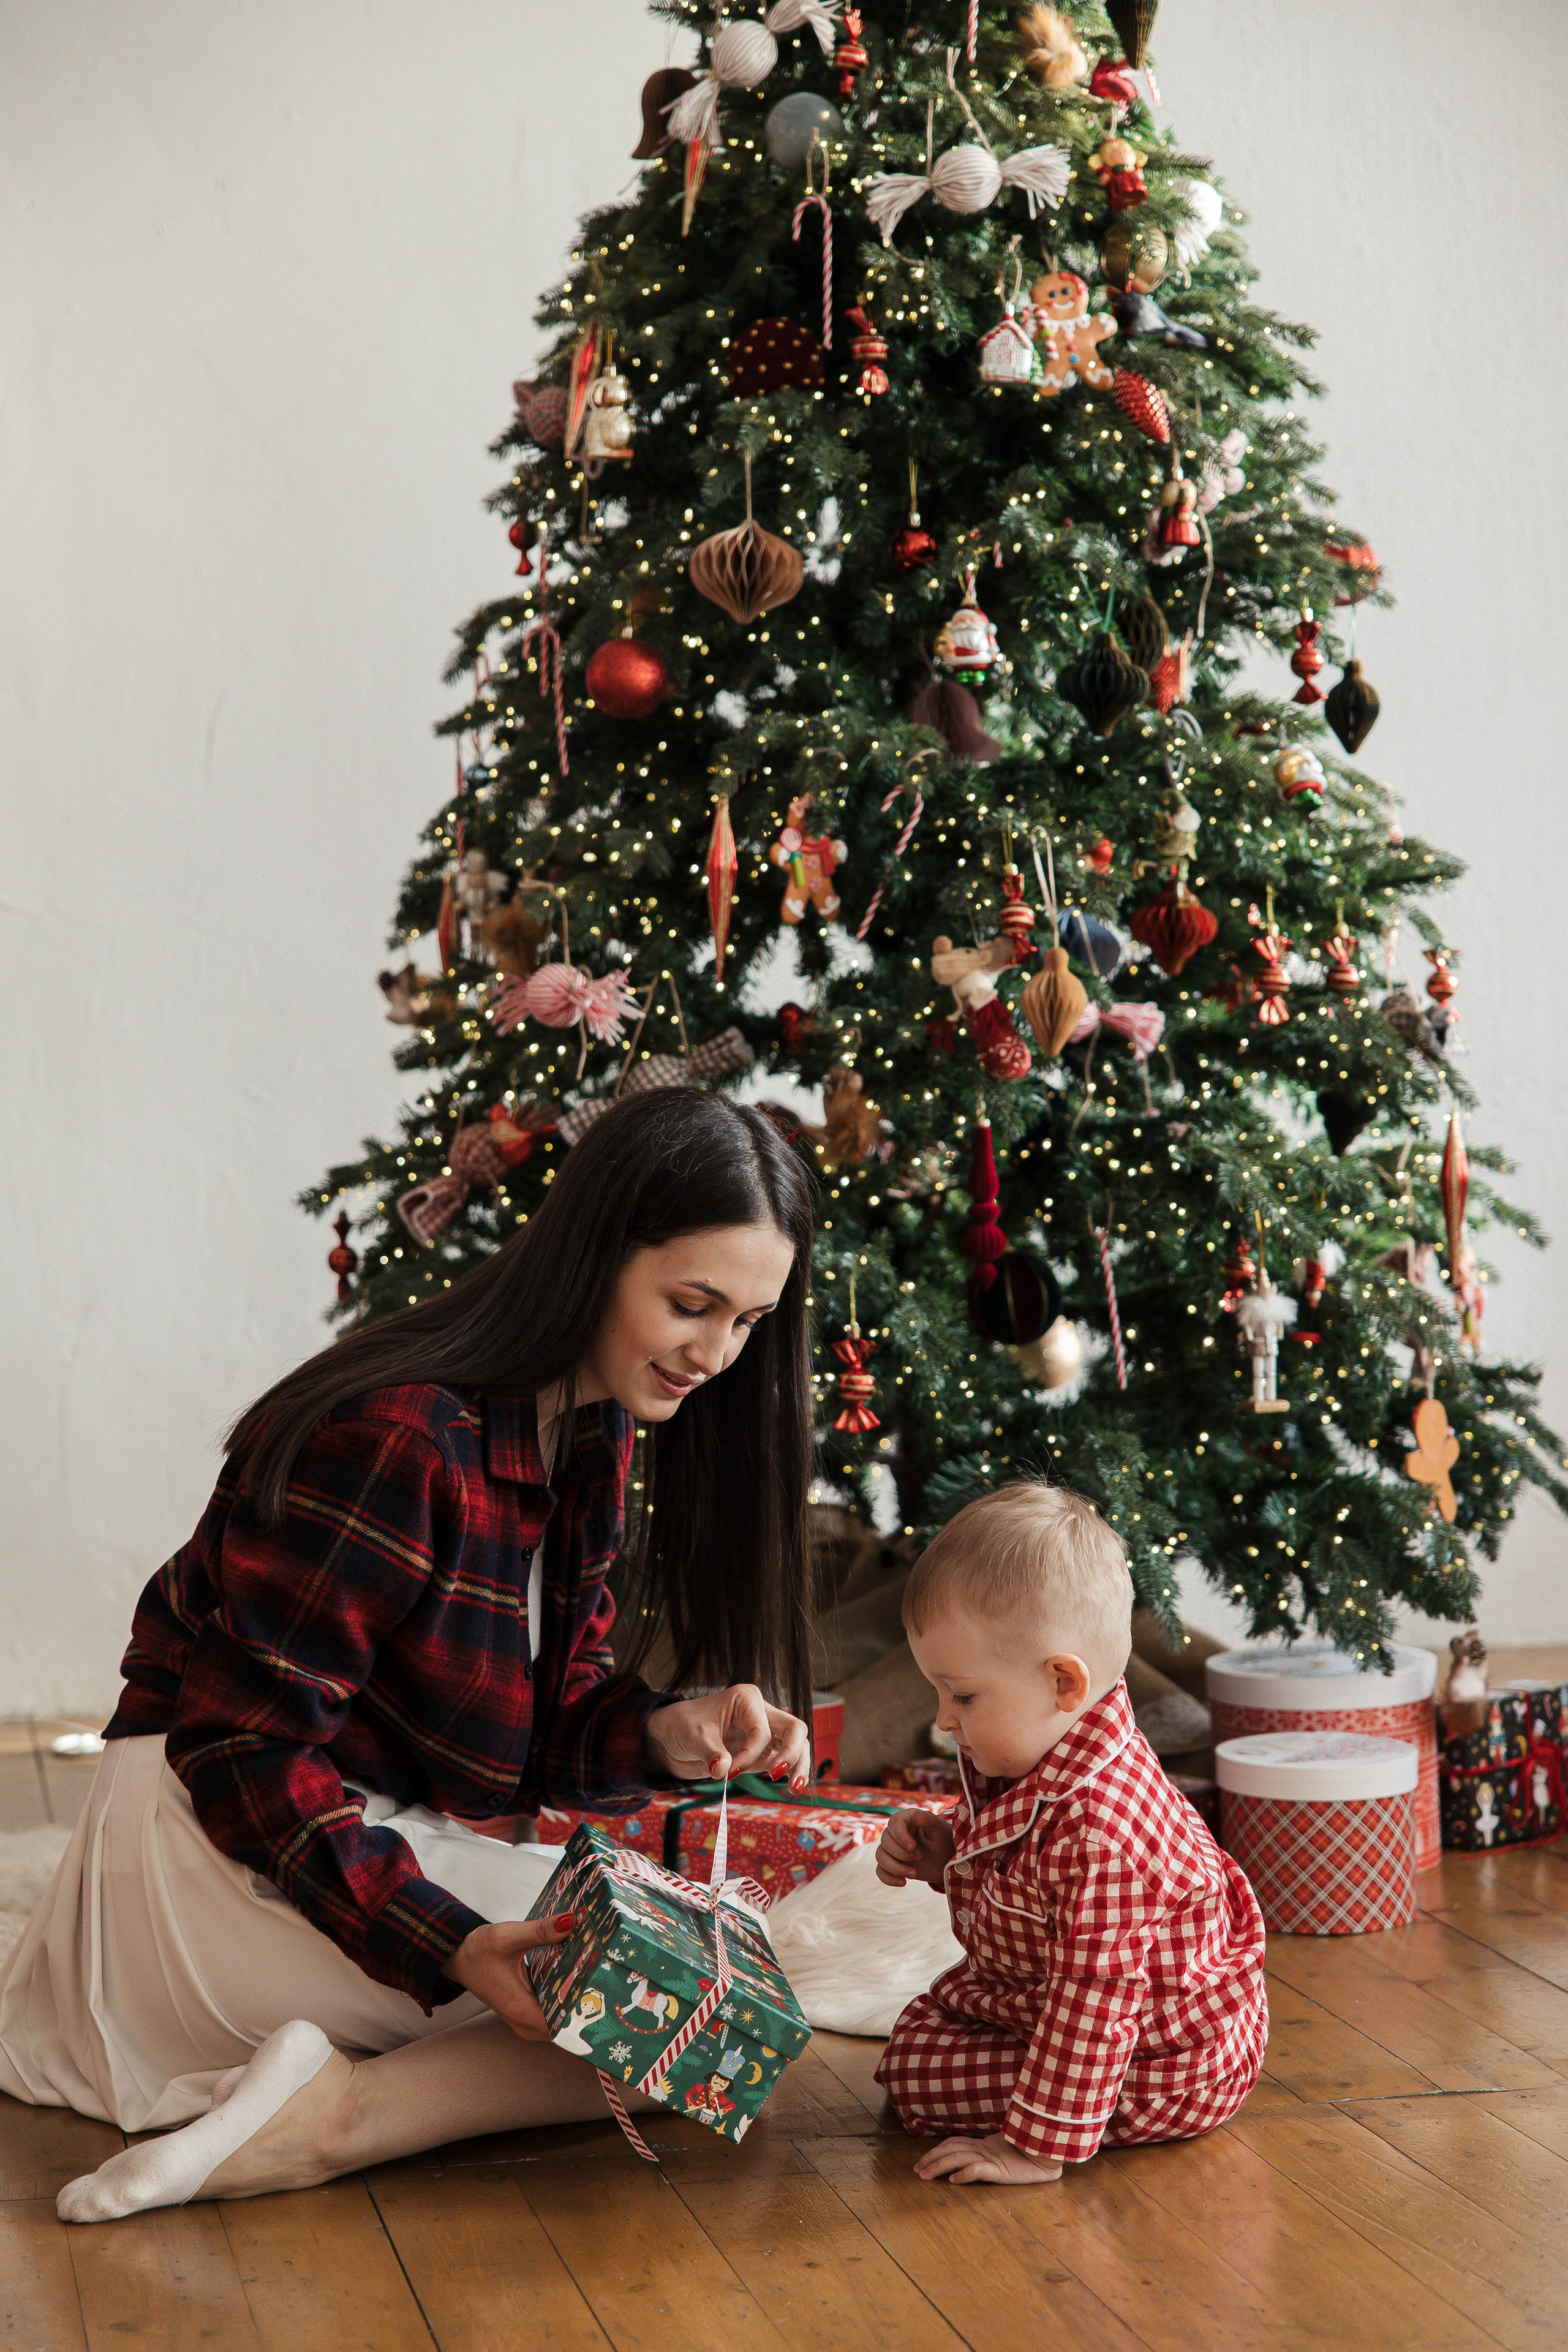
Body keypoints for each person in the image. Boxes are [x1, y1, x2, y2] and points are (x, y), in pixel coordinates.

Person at [0, 1089, 818, 2222]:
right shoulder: (399, 1436)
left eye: (748, 1322)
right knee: (680, 2013)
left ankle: (328, 2106)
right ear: (595, 1253)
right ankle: (332, 2124)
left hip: (351, 1828)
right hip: (209, 1854)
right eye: (692, 1305)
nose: (716, 1354)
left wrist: (666, 1733)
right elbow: (242, 1750)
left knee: (729, 1985)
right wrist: (451, 1942)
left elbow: (526, 1725)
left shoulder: (590, 1429)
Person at [873, 1482, 1267, 2185]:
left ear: (1063, 1683)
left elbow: (1095, 2001)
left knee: (915, 2076)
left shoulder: (1104, 1835)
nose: (943, 1720)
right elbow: (1020, 1866)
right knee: (917, 2037)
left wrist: (1030, 2148)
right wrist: (947, 1856)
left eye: (962, 1695)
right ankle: (1025, 2079)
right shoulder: (1040, 1748)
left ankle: (1070, 2119)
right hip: (1047, 2002)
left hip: (1162, 2059)